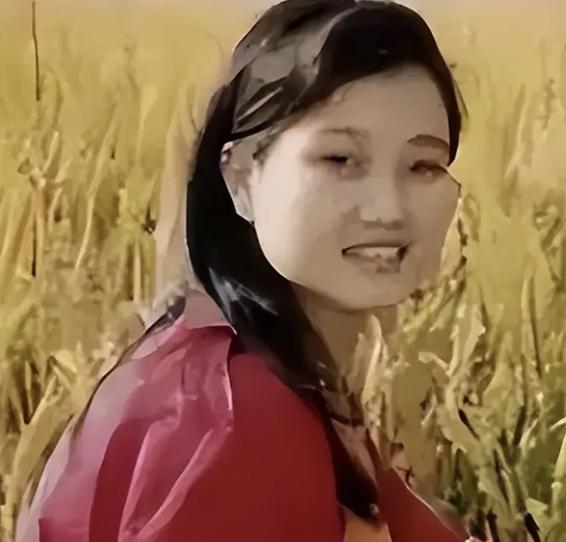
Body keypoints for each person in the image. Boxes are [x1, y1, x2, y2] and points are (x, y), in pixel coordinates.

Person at [16, 0, 467, 540]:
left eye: (424, 165)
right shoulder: (235, 416)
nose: (388, 209)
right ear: (241, 179)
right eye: (340, 160)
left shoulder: (277, 376)